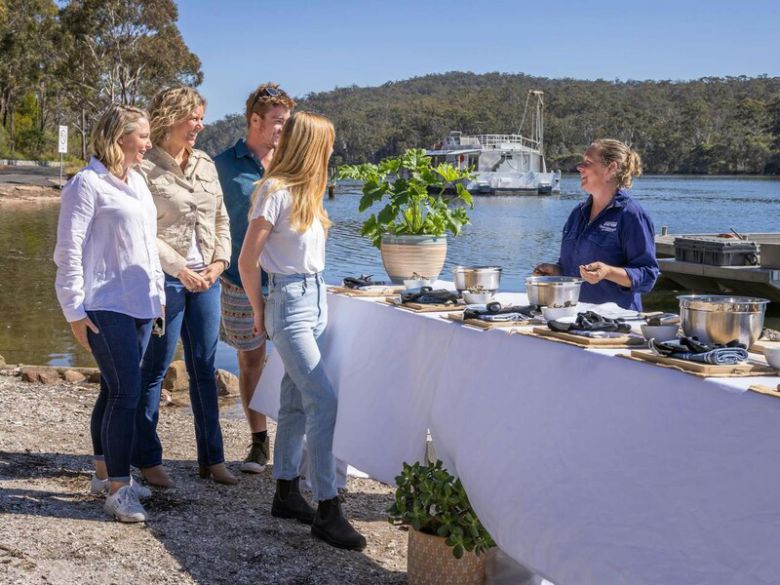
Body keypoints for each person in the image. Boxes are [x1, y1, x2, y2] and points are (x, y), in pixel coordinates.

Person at [239, 111, 366, 551]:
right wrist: (260, 312)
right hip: (288, 306)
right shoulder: (273, 192)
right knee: (323, 401)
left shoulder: (308, 193)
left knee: (293, 401)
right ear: (312, 146)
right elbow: (246, 260)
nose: (333, 150)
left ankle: (286, 492)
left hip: (315, 301)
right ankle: (327, 507)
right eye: (327, 143)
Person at [54, 104, 165, 522]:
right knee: (126, 392)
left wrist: (158, 298)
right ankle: (120, 489)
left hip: (140, 303)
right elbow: (67, 251)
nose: (148, 144)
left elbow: (147, 244)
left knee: (112, 389)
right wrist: (74, 311)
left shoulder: (136, 182)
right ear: (120, 137)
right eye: (143, 136)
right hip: (104, 303)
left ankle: (103, 473)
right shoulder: (86, 184)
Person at [133, 87, 236, 487]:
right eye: (193, 117)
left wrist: (219, 263)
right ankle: (147, 458)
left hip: (207, 281)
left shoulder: (206, 165)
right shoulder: (143, 169)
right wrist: (179, 269)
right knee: (155, 370)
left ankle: (212, 459)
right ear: (171, 117)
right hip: (165, 282)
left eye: (200, 118)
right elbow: (142, 231)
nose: (200, 125)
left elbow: (223, 220)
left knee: (205, 368)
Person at [214, 83, 294, 473]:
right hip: (239, 281)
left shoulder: (292, 161)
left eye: (286, 121)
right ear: (255, 120)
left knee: (297, 363)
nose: (283, 129)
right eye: (277, 121)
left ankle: (296, 445)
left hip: (288, 281)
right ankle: (259, 443)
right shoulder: (223, 164)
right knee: (251, 363)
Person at [533, 139, 659, 311]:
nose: (579, 167)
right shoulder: (577, 214)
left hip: (615, 325)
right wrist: (556, 272)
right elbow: (572, 269)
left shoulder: (631, 215)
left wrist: (608, 272)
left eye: (588, 162)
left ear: (611, 169)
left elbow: (648, 276)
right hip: (574, 318)